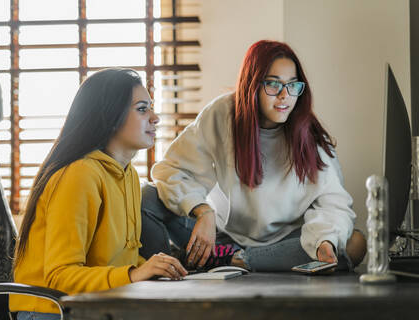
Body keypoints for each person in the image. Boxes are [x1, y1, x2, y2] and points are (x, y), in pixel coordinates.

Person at [140, 40, 366, 272]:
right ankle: (171, 268)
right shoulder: (222, 113)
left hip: (285, 243)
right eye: (273, 84)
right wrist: (203, 211)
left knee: (355, 243)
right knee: (146, 197)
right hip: (219, 237)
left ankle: (234, 261)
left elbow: (334, 204)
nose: (284, 96)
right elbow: (172, 170)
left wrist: (324, 242)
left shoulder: (310, 135)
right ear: (253, 84)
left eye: (292, 86)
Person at [10, 68, 187, 320]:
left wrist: (153, 269)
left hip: (96, 306)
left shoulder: (129, 176)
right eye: (142, 109)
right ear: (110, 116)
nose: (155, 117)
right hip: (51, 312)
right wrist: (134, 275)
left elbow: (113, 259)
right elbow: (59, 276)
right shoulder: (79, 174)